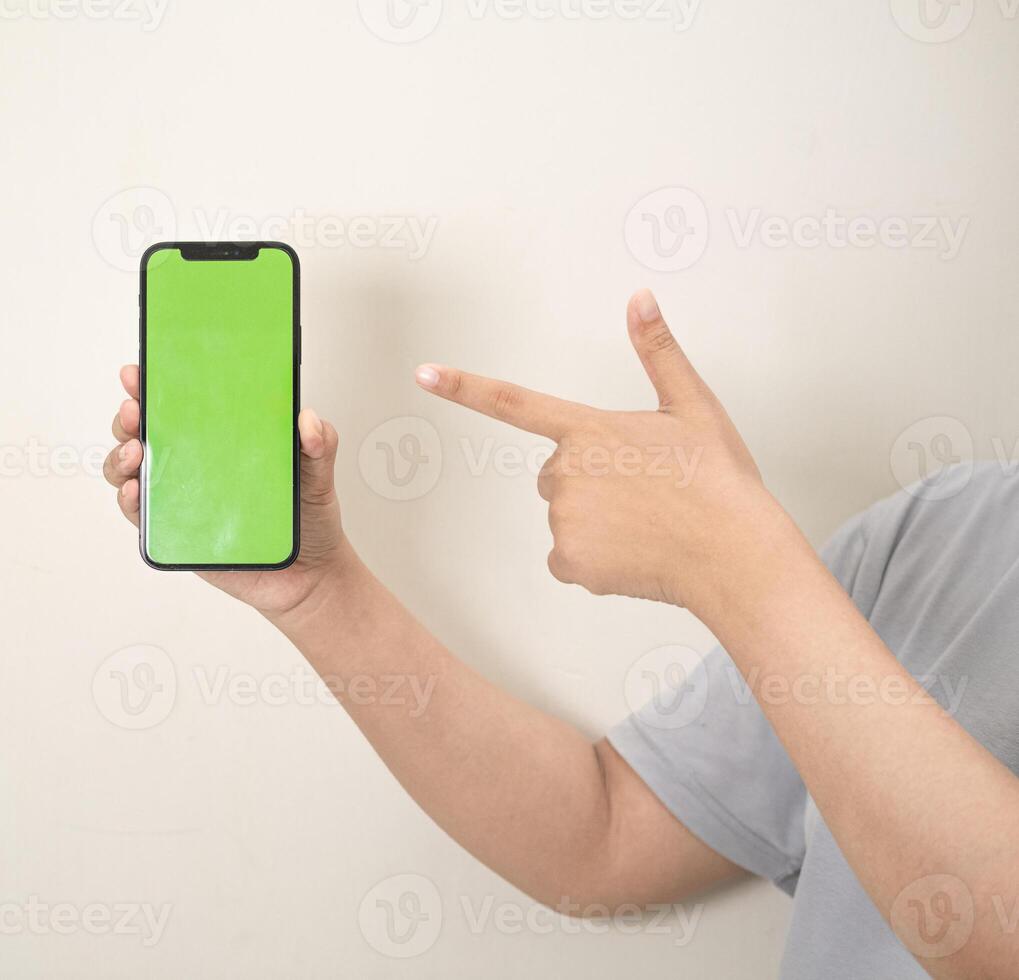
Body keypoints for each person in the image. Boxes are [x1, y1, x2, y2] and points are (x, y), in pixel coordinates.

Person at [103, 289, 1019, 979]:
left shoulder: (820, 557)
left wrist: (735, 566)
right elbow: (606, 836)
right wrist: (316, 593)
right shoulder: (951, 528)